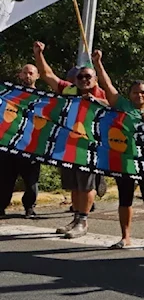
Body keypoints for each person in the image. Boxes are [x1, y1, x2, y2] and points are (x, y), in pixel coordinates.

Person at [92, 50, 144, 251]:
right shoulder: (123, 106)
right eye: (135, 92)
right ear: (130, 94)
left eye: (143, 92)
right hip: (124, 160)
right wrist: (98, 63)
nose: (139, 95)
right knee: (125, 199)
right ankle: (126, 237)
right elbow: (108, 87)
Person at [33, 41, 108, 239]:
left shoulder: (101, 94)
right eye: (80, 77)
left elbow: (115, 107)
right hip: (67, 146)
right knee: (74, 185)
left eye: (88, 77)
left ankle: (83, 221)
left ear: (95, 79)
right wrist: (38, 54)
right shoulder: (68, 90)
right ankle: (75, 219)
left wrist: (96, 100)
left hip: (90, 147)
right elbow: (48, 75)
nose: (83, 80)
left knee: (86, 185)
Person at [0, 64, 42, 219]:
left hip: (30, 147)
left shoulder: (43, 98)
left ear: (37, 76)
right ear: (20, 75)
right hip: (8, 145)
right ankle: (1, 207)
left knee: (31, 182)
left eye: (31, 73)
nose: (27, 75)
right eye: (25, 73)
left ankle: (29, 207)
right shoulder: (9, 95)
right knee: (5, 179)